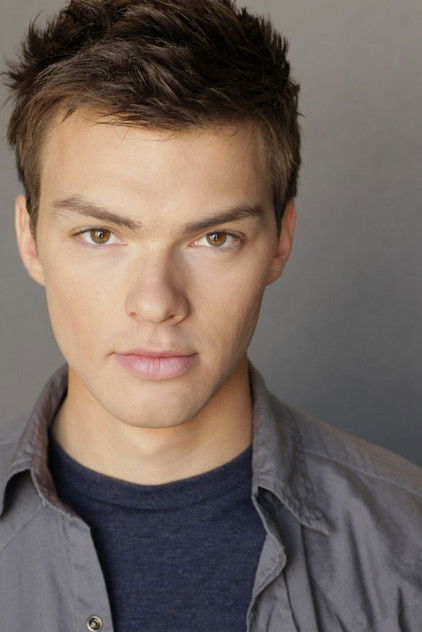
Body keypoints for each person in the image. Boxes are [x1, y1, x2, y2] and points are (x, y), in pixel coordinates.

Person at [0, 0, 420, 630]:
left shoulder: (408, 545)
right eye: (99, 235)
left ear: (280, 240)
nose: (157, 303)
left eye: (214, 238)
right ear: (29, 238)